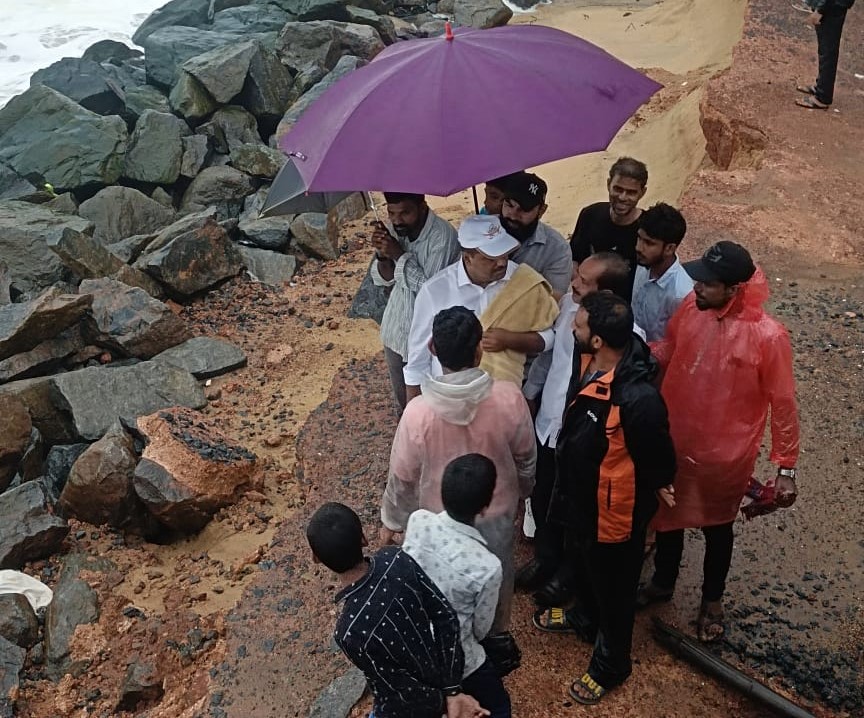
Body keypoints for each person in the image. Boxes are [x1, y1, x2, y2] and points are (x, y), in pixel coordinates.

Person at [640, 240, 800, 644]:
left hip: (726, 455)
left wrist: (786, 466)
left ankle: (712, 600)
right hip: (677, 435)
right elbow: (671, 349)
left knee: (717, 527)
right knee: (668, 511)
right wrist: (637, 354)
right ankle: (663, 581)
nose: (696, 288)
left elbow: (783, 401)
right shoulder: (691, 308)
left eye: (708, 284)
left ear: (734, 289)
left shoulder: (768, 336)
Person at [544, 292, 676, 705]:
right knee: (584, 566)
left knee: (615, 589)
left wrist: (659, 484)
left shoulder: (638, 399)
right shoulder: (588, 359)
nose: (572, 328)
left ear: (599, 339)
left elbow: (658, 455)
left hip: (613, 512)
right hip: (580, 499)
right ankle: (584, 617)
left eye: (579, 325)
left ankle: (611, 663)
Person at [382, 306, 536, 638]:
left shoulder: (418, 413)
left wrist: (393, 522)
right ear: (480, 349)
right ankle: (494, 636)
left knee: (441, 586)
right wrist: (523, 493)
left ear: (433, 349)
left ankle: (449, 642)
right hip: (496, 511)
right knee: (495, 575)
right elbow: (526, 458)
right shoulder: (509, 398)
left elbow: (403, 478)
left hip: (439, 518)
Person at [518, 253, 645, 605]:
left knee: (578, 508)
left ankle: (569, 574)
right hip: (550, 423)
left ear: (606, 294)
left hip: (587, 438)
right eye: (577, 274)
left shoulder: (628, 337)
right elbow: (549, 360)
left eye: (584, 281)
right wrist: (530, 395)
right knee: (543, 493)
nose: (573, 283)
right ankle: (545, 558)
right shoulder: (567, 311)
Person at [305, 502, 488, 718]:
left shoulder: (349, 632)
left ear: (316, 558)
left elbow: (398, 687)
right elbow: (445, 616)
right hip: (440, 672)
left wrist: (445, 704)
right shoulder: (395, 559)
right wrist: (452, 691)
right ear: (363, 539)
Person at [403, 454, 512, 718]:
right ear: (485, 507)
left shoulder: (418, 520)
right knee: (498, 707)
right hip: (461, 658)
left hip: (414, 644)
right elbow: (481, 629)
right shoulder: (487, 566)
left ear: (443, 493)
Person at [403, 215, 558, 396]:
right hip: (451, 397)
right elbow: (417, 362)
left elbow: (550, 338)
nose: (502, 263)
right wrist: (412, 409)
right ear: (468, 258)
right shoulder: (435, 291)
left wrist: (510, 339)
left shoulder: (524, 282)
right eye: (491, 258)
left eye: (504, 254)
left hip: (504, 397)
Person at [371, 192, 459, 415]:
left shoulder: (442, 236)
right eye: (391, 213)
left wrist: (398, 254)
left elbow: (431, 290)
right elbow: (384, 279)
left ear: (422, 206)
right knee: (405, 407)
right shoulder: (393, 231)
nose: (397, 220)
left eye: (405, 213)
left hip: (428, 338)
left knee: (432, 408)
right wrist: (382, 256)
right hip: (396, 331)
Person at [569, 157, 648, 299]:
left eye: (631, 192)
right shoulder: (590, 214)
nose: (622, 197)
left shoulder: (648, 229)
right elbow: (575, 258)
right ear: (608, 184)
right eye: (618, 189)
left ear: (642, 192)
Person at [499, 171, 572, 297]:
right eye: (509, 205)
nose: (513, 215)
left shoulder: (557, 249)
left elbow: (552, 300)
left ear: (542, 211)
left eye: (524, 209)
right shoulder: (482, 231)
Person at [631, 202, 693, 342]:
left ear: (669, 248)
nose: (638, 247)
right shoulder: (644, 262)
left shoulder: (680, 294)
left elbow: (679, 341)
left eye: (649, 243)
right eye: (639, 238)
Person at [796, 0, 856, 110]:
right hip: (832, 5)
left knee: (827, 51)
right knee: (826, 50)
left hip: (832, 6)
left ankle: (822, 97)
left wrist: (820, 10)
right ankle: (821, 88)